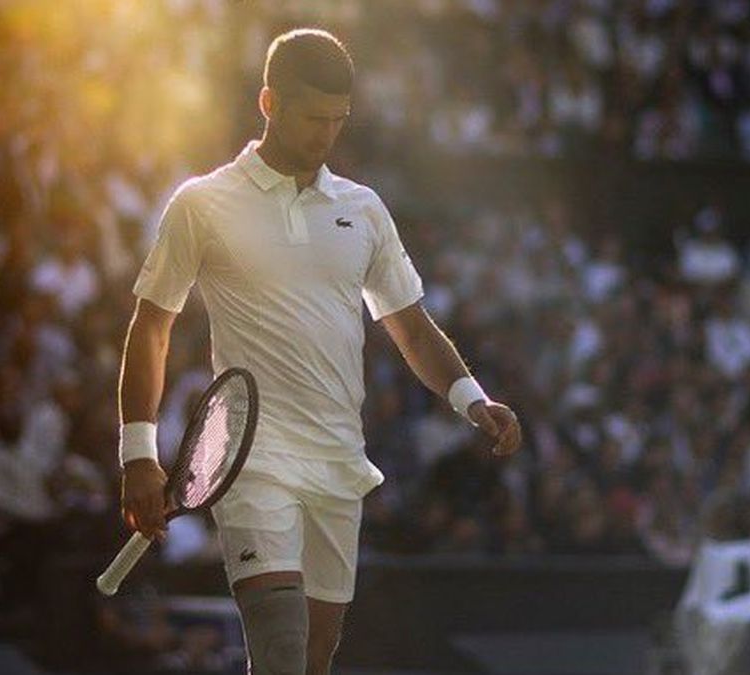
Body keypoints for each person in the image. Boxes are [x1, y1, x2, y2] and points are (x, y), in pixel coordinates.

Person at [117, 29, 522, 675]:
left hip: (338, 460)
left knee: (312, 658)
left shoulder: (364, 209)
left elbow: (412, 328)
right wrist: (138, 454)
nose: (326, 133)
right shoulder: (202, 203)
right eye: (312, 117)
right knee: (279, 645)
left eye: (338, 119)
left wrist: (473, 401)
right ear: (269, 103)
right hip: (250, 457)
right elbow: (151, 326)